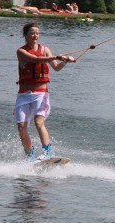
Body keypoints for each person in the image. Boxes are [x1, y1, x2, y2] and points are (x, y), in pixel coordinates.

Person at [15, 23, 76, 161]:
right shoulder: (21, 51)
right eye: (32, 33)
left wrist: (65, 61)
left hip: (41, 93)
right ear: (25, 35)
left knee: (38, 122)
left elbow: (56, 68)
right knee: (21, 126)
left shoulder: (45, 49)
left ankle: (47, 152)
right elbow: (35, 60)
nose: (35, 35)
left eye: (37, 33)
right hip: (23, 94)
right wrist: (57, 57)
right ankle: (30, 156)